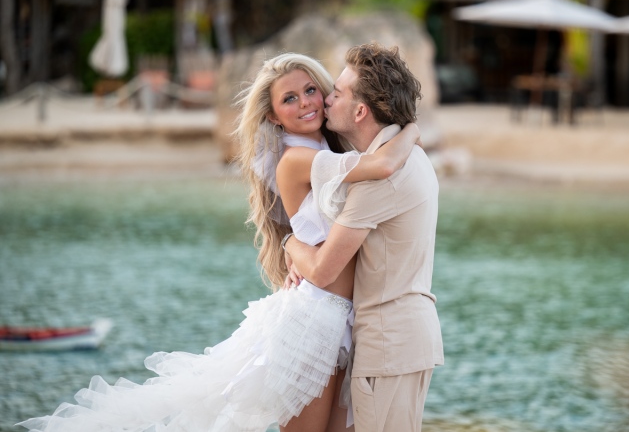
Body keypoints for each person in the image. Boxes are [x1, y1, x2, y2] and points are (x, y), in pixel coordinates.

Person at [17, 52, 420, 432]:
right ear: (273, 117)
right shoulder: (295, 160)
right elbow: (383, 164)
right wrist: (412, 128)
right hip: (315, 321)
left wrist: (292, 245)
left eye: (311, 90)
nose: (305, 103)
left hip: (347, 319)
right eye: (290, 99)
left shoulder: (326, 150)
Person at [283, 43, 444, 432]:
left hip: (388, 344)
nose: (324, 100)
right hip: (397, 340)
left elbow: (322, 271)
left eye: (335, 93)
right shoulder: (406, 154)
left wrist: (288, 243)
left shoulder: (380, 180)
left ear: (359, 111)